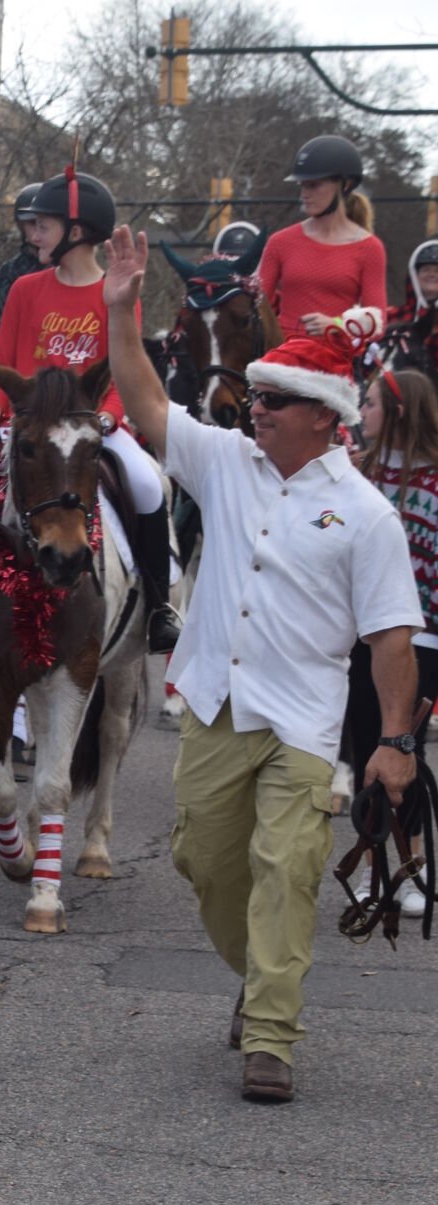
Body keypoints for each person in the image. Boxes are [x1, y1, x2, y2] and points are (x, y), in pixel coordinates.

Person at [102, 222, 421, 1103]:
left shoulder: (367, 517)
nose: (257, 406)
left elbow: (390, 639)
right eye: (257, 394)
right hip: (213, 703)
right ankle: (259, 973)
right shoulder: (223, 460)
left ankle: (271, 1034)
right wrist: (120, 310)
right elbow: (142, 401)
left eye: (276, 397)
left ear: (323, 413)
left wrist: (396, 741)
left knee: (288, 865)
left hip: (304, 721)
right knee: (204, 862)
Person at [0, 169, 181, 657]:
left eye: (42, 225)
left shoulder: (117, 292)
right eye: (31, 226)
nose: (31, 234)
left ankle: (160, 607)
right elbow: (2, 367)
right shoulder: (25, 288)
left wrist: (105, 423)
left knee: (148, 486)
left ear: (75, 232)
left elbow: (124, 373)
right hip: (29, 427)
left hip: (93, 427)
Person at [343, 367, 438, 914]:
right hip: (366, 635)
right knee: (366, 749)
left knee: (406, 747)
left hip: (425, 638)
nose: (363, 412)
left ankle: (413, 870)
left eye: (372, 403)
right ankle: (379, 866)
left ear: (398, 411)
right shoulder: (359, 474)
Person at [259, 135, 387, 342]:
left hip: (336, 363)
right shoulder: (279, 242)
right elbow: (258, 305)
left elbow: (377, 322)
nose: (304, 194)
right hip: (282, 360)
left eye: (314, 185)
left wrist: (337, 324)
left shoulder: (370, 248)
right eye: (302, 185)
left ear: (345, 185)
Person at [0, 183, 44, 358]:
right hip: (18, 361)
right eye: (32, 223)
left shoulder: (68, 267)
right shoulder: (9, 272)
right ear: (21, 226)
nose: (39, 230)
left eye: (44, 223)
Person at [386, 239, 438, 373]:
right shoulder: (393, 316)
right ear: (414, 276)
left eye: (437, 270)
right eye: (426, 270)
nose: (432, 274)